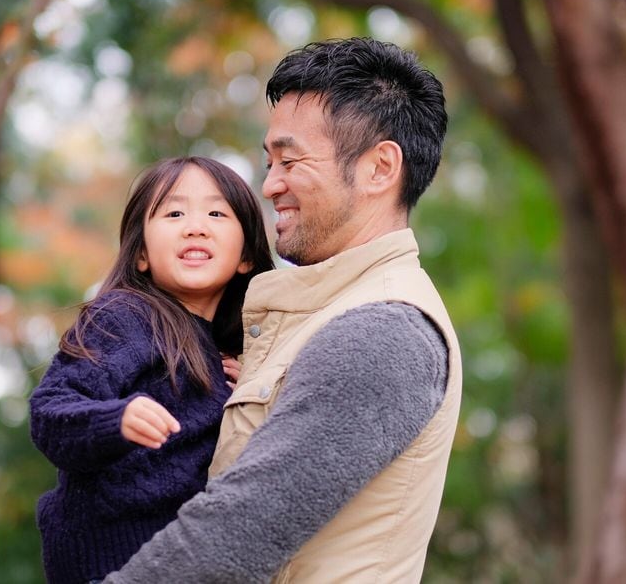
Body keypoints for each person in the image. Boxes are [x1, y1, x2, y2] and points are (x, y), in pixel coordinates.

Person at [105, 38, 463, 583]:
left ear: (379, 168)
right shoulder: (313, 317)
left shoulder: (384, 330)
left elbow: (234, 533)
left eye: (290, 160)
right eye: (268, 161)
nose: (269, 185)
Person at [28, 156, 274, 584]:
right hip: (110, 560)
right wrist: (115, 419)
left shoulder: (233, 356)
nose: (195, 226)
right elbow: (50, 412)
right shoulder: (124, 316)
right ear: (141, 253)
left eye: (216, 213)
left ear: (247, 256)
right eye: (174, 213)